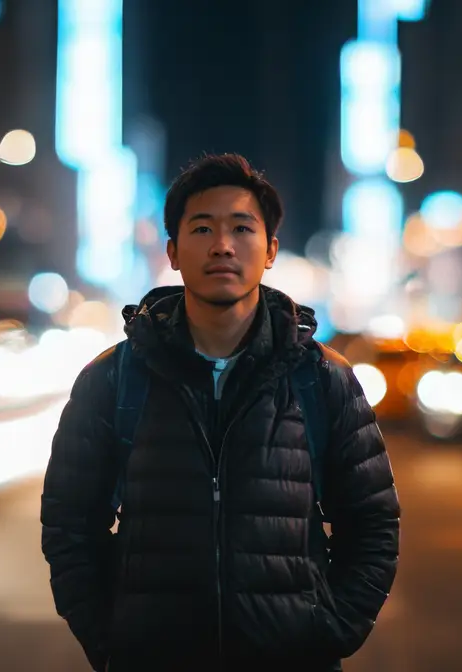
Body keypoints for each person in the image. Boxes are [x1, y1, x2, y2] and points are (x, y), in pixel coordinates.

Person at [41, 153, 400, 672]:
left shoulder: (321, 378)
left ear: (271, 250)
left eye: (242, 228)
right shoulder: (115, 379)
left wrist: (328, 633)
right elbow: (69, 525)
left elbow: (373, 523)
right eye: (202, 228)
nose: (223, 246)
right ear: (173, 250)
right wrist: (112, 640)